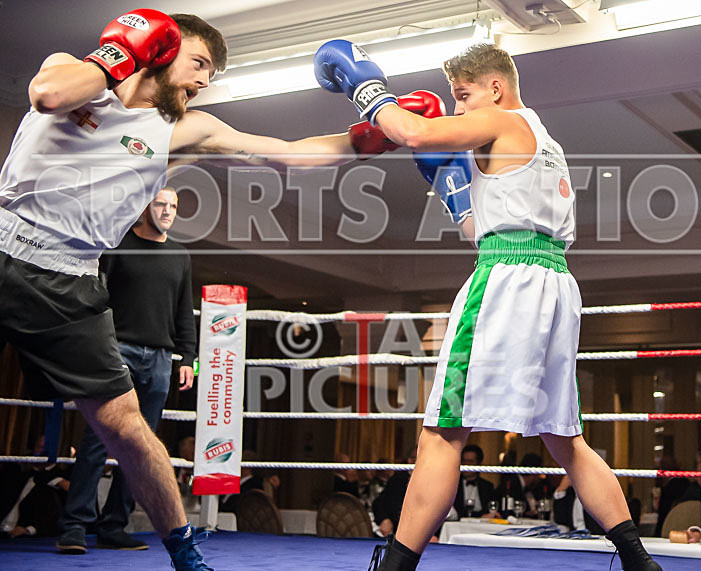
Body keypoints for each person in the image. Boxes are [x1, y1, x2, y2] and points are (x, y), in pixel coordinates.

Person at [1, 9, 422, 569]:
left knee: (127, 427)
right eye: (199, 64)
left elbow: (286, 155)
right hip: (4, 240)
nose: (204, 81)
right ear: (162, 48)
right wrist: (120, 54)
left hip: (70, 277)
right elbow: (49, 94)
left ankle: (183, 553)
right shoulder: (68, 70)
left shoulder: (184, 127)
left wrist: (363, 142)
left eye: (212, 74)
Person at [314, 40, 661, 570]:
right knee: (565, 438)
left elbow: (412, 131)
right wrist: (456, 192)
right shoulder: (545, 141)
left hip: (505, 280)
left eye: (463, 94)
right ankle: (640, 561)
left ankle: (395, 567)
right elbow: (491, 225)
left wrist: (366, 85)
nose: (457, 109)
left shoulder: (504, 122)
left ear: (495, 88)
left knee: (442, 431)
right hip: (556, 284)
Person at [57, 187, 197, 553]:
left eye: (174, 206)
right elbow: (95, 299)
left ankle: (114, 525)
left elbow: (184, 312)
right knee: (97, 439)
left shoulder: (180, 256)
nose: (168, 211)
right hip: (118, 352)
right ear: (145, 206)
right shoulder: (118, 246)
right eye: (161, 204)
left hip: (162, 359)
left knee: (141, 445)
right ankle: (74, 525)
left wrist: (187, 358)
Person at [449, 444, 495, 519]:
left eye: (470, 461)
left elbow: (490, 510)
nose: (466, 465)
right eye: (463, 461)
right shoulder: (453, 485)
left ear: (478, 464)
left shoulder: (487, 486)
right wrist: (480, 516)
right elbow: (455, 512)